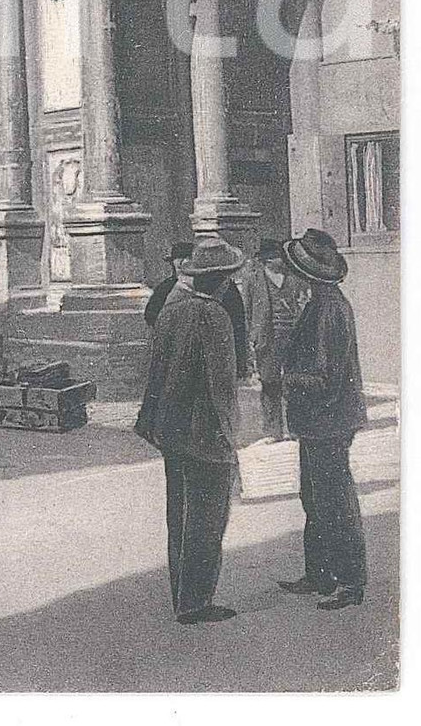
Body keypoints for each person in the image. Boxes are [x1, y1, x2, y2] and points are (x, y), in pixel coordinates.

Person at [136, 234, 243, 625]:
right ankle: (197, 602)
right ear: (222, 279)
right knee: (207, 518)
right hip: (205, 432)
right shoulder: (214, 316)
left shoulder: (171, 309)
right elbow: (220, 385)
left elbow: (157, 371)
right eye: (229, 277)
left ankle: (181, 595)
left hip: (171, 428)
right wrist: (232, 436)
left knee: (178, 514)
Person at [278, 229, 368, 611]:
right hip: (319, 421)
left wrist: (282, 380)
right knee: (315, 498)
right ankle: (320, 574)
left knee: (334, 502)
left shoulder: (330, 309)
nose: (288, 275)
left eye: (292, 270)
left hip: (328, 419)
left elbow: (326, 377)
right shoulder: (321, 303)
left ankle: (349, 582)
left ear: (306, 273)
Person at [147, 239, 250, 378]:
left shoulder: (228, 290)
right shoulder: (171, 290)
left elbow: (238, 325)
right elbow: (154, 318)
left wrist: (240, 363)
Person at [249, 239, 305, 440]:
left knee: (293, 383)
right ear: (266, 260)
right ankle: (273, 430)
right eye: (275, 257)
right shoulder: (254, 280)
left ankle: (295, 427)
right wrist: (252, 337)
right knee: (270, 383)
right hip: (267, 339)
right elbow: (249, 311)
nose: (280, 260)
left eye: (281, 256)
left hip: (291, 338)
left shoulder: (294, 279)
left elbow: (302, 303)